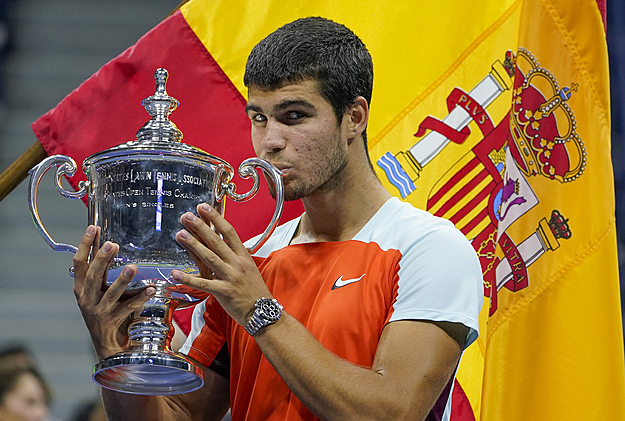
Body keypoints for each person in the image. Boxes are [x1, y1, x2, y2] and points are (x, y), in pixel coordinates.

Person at [73, 17, 483, 420]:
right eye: (258, 118)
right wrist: (115, 350)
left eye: (294, 116)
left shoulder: (430, 248)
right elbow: (178, 415)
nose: (269, 141)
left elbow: (392, 412)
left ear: (354, 118)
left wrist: (258, 309)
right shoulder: (247, 262)